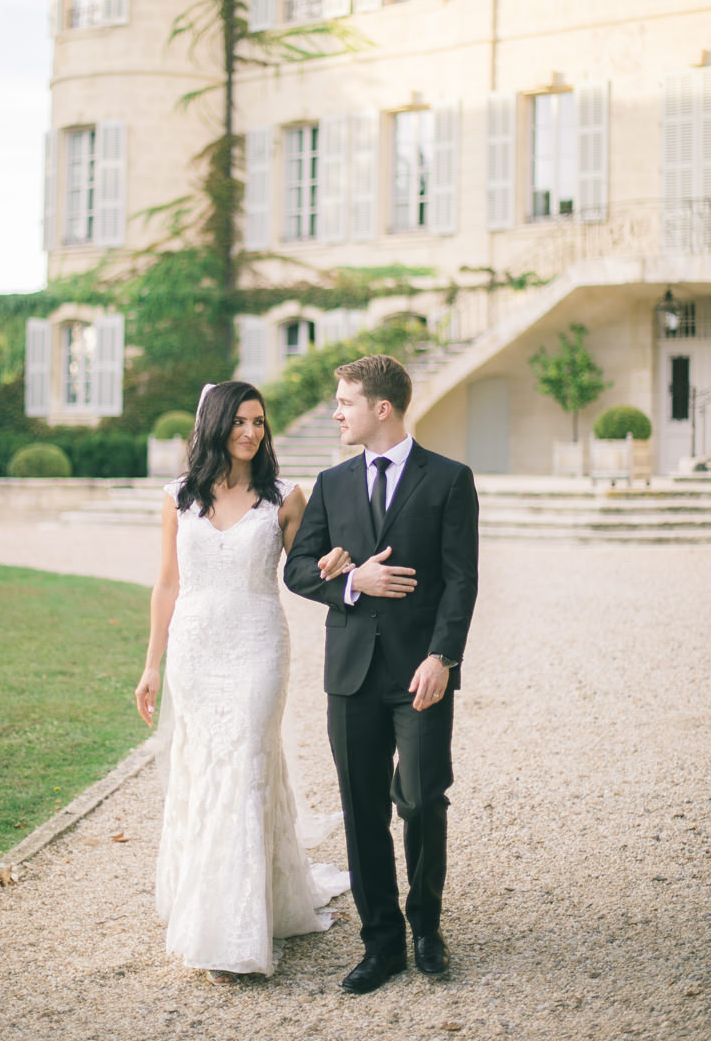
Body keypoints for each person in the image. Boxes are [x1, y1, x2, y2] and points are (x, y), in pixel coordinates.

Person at [135, 380, 349, 984]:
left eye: (259, 422)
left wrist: (340, 561)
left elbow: (305, 568)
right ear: (215, 424)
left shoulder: (285, 495)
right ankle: (206, 904)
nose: (251, 432)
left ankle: (233, 930)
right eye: (239, 422)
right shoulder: (178, 497)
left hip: (258, 646)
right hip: (196, 652)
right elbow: (167, 584)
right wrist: (152, 663)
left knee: (246, 764)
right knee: (206, 767)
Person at [284, 354, 478, 995]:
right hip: (352, 673)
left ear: (381, 408)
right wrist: (350, 584)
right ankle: (382, 942)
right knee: (362, 808)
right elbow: (298, 568)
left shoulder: (449, 479)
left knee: (423, 799)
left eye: (345, 402)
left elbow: (460, 579)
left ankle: (427, 926)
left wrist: (443, 657)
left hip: (420, 671)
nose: (337, 412)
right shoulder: (332, 483)